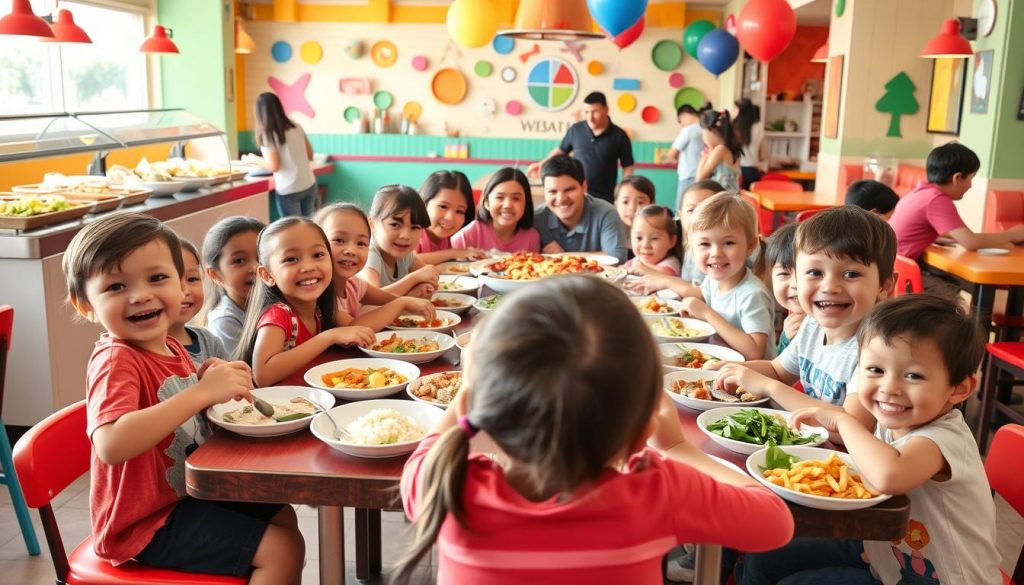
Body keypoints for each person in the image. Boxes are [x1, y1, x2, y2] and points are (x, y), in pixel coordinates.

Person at [395, 275, 794, 583]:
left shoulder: (446, 485)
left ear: (477, 405)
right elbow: (776, 521)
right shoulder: (657, 491)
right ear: (640, 432)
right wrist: (674, 446)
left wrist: (472, 390)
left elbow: (439, 444)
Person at [62, 212, 304, 582]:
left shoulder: (174, 347)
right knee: (281, 549)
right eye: (115, 287)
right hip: (142, 524)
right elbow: (111, 443)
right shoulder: (116, 359)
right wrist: (199, 394)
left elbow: (180, 416)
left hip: (184, 496)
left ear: (182, 286)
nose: (140, 295)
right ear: (85, 305)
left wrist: (210, 390)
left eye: (157, 278)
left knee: (281, 514)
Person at [738, 295, 999, 585]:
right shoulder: (895, 423)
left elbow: (890, 474)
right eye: (875, 370)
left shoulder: (943, 438)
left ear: (959, 389)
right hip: (886, 555)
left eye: (913, 375)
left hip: (944, 579)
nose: (889, 388)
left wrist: (844, 420)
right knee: (766, 553)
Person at [713, 206, 896, 413]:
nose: (829, 287)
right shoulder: (812, 325)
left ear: (885, 286)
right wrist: (725, 370)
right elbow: (777, 370)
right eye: (815, 272)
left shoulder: (877, 349)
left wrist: (769, 387)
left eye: (851, 274)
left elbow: (851, 422)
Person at [235, 217, 376, 387]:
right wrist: (329, 337)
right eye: (291, 259)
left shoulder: (319, 310)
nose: (308, 266)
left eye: (318, 255)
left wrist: (403, 303)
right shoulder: (279, 315)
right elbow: (262, 376)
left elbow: (358, 328)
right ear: (267, 275)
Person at [889, 142, 1024, 300]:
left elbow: (957, 236)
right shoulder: (936, 200)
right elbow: (970, 241)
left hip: (896, 270)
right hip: (904, 276)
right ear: (957, 178)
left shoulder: (919, 193)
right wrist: (1012, 234)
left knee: (951, 285)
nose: (971, 186)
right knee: (953, 303)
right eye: (970, 179)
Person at [680, 193, 776, 360]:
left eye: (728, 243)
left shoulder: (752, 295)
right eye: (705, 244)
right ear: (692, 248)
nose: (716, 253)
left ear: (750, 246)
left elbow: (755, 352)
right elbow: (699, 296)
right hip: (721, 367)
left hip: (751, 379)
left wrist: (707, 314)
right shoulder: (713, 280)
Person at [314, 202, 436, 331]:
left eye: (361, 243)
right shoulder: (320, 295)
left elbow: (387, 298)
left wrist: (411, 299)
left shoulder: (354, 285)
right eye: (339, 240)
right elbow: (353, 329)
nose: (351, 250)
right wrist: (403, 303)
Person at [526, 91, 634, 203]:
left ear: (606, 110)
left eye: (595, 112)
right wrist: (542, 163)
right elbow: (561, 150)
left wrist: (623, 191)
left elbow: (628, 166)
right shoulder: (576, 130)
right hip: (577, 194)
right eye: (586, 112)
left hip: (606, 197)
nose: (590, 117)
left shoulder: (619, 135)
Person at [533, 155, 630, 262]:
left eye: (569, 189)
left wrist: (564, 257)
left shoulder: (606, 213)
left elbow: (616, 257)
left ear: (584, 187)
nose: (561, 199)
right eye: (552, 192)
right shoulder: (538, 218)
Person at [243, 92, 318, 218]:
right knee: (310, 225)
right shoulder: (296, 126)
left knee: (293, 230)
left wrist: (254, 159)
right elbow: (310, 154)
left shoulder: (268, 134)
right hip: (309, 183)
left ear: (259, 113)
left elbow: (274, 166)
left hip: (289, 187)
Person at [358, 185, 440, 298]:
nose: (406, 235)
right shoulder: (369, 255)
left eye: (415, 227)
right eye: (395, 225)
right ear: (372, 224)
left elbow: (428, 276)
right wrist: (414, 279)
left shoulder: (405, 254)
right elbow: (371, 297)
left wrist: (425, 285)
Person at [203, 216, 265, 354]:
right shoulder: (224, 321)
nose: (255, 267)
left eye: (261, 258)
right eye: (239, 260)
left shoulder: (277, 301)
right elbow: (250, 372)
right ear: (215, 275)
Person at [451, 167, 541, 253]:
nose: (507, 205)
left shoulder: (532, 237)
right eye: (500, 197)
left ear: (526, 203)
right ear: (486, 202)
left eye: (516, 198)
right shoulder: (468, 235)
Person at [170, 238, 229, 369]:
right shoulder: (144, 355)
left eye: (192, 279)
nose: (185, 291)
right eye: (170, 280)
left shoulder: (208, 341)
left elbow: (242, 385)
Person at [415, 170, 486, 264]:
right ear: (424, 203)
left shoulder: (449, 238)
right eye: (443, 206)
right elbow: (409, 262)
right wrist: (454, 253)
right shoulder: (413, 231)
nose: (450, 217)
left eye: (459, 211)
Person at [758, 223, 804, 355]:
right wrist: (786, 340)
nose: (795, 284)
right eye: (784, 274)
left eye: (811, 273)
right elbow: (781, 366)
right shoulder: (793, 314)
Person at [663, 104, 705, 209]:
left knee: (681, 209)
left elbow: (671, 154)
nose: (682, 125)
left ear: (684, 115)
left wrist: (668, 159)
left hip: (688, 176)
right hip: (703, 175)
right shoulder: (705, 128)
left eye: (680, 122)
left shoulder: (688, 130)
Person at [624, 205, 682, 277]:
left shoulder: (670, 263)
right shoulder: (635, 261)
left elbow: (668, 277)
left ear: (672, 241)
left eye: (654, 238)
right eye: (639, 238)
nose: (645, 245)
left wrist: (642, 269)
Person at [696, 109, 742, 195]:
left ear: (711, 131)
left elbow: (699, 179)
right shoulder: (728, 148)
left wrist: (705, 155)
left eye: (703, 134)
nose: (703, 139)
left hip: (722, 201)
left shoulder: (720, 150)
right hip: (729, 199)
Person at [733, 99, 763, 189]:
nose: (733, 110)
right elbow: (763, 155)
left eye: (735, 108)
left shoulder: (734, 128)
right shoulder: (759, 128)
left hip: (737, 170)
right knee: (752, 201)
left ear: (740, 111)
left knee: (738, 200)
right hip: (753, 171)